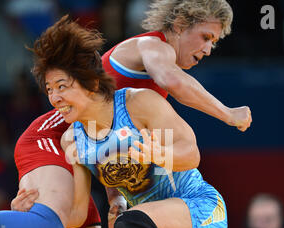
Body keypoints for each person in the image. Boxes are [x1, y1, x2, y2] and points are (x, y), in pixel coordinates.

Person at [26, 16, 247, 228]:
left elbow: (192, 155)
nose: (54, 98)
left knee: (129, 226)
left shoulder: (138, 102)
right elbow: (78, 213)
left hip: (201, 214)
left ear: (91, 82)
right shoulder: (72, 139)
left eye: (62, 86)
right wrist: (36, 212)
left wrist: (160, 154)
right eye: (49, 89)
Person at [101, 0, 252, 133]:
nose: (207, 51)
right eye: (205, 37)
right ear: (180, 25)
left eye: (212, 43)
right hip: (83, 153)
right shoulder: (151, 45)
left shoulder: (158, 54)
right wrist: (228, 113)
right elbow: (174, 81)